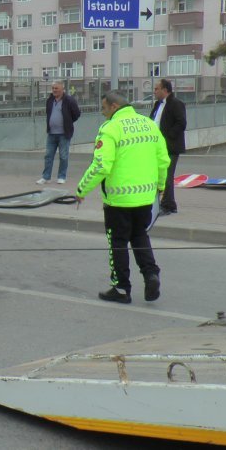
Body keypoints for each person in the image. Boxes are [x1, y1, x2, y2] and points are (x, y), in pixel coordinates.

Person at [76, 92, 169, 304]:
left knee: (117, 242)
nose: (102, 112)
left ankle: (121, 288)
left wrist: (81, 190)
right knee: (139, 236)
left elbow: (101, 165)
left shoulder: (110, 129)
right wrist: (161, 187)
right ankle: (151, 274)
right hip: (145, 197)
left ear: (114, 106)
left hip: (118, 200)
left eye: (104, 108)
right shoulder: (149, 124)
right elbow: (163, 160)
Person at [150, 79, 187, 216]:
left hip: (170, 147)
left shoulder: (176, 104)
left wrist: (168, 137)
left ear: (165, 90)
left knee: (167, 175)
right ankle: (162, 204)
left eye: (157, 89)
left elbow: (181, 123)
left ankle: (169, 205)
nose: (155, 91)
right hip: (156, 146)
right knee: (158, 175)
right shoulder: (157, 104)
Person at [38, 80, 81, 185]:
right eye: (53, 88)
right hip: (51, 133)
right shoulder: (50, 100)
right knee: (48, 156)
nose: (54, 90)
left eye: (56, 88)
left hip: (64, 134)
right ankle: (46, 177)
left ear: (62, 89)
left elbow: (76, 114)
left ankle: (61, 177)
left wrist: (68, 122)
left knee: (63, 156)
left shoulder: (69, 100)